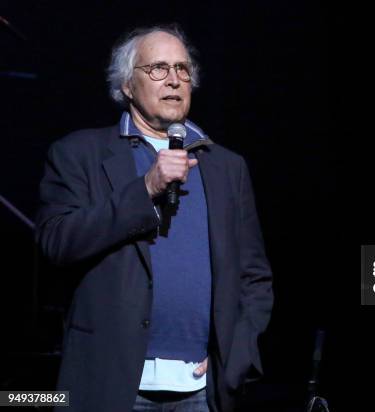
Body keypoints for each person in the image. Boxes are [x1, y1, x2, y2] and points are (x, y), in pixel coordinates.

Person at [35, 24, 273, 412]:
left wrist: (236, 354)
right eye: (158, 68)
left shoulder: (227, 167)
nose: (175, 80)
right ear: (128, 85)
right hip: (113, 383)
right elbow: (58, 243)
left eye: (183, 69)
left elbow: (254, 276)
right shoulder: (79, 153)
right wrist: (144, 188)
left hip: (202, 389)